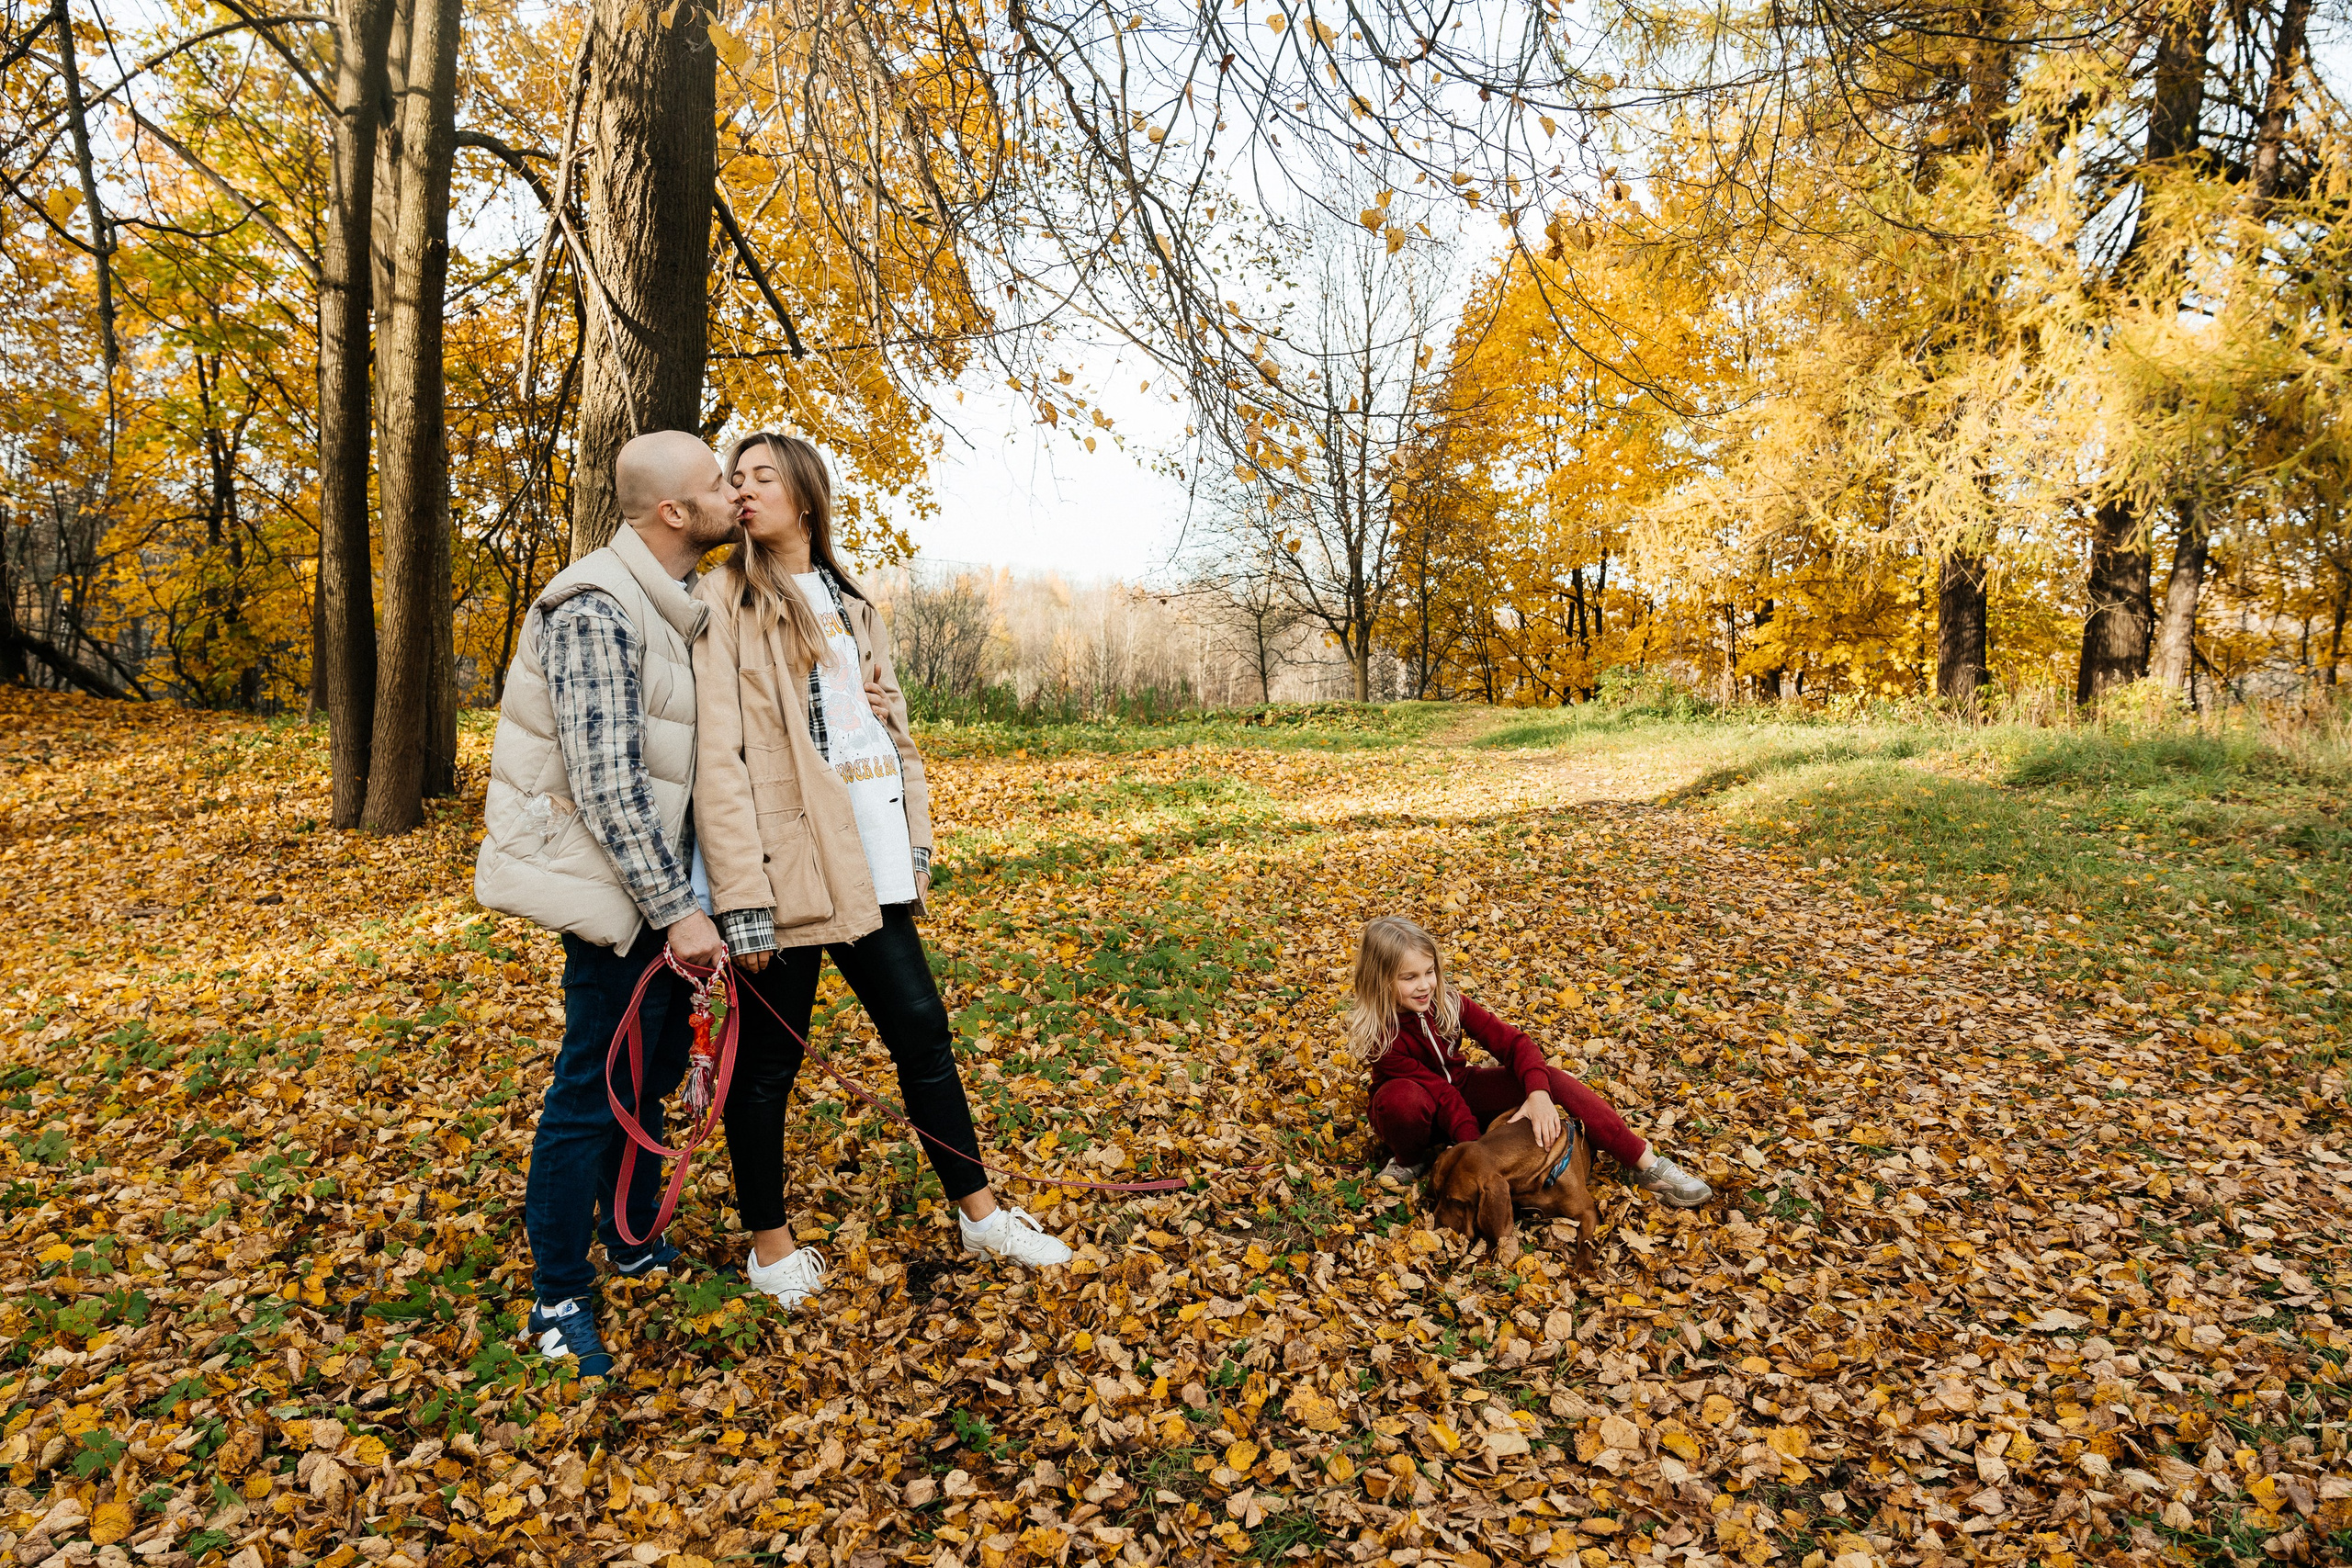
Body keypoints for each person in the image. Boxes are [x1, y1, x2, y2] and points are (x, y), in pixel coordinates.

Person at [692, 431, 1070, 1308]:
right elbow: (722, 757)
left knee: (923, 1036)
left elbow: (896, 736)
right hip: (786, 871)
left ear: (806, 496)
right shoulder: (726, 600)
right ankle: (770, 1249)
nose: (743, 491)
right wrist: (741, 897)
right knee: (766, 1069)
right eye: (735, 479)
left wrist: (919, 842)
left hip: (870, 866)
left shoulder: (854, 603)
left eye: (761, 477)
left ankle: (980, 1214)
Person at [474, 431, 741, 1378]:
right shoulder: (595, 602)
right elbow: (607, 783)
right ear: (673, 512)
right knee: (591, 1090)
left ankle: (629, 1237)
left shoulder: (677, 604)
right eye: (715, 481)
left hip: (668, 897)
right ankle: (556, 1298)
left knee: (654, 1070)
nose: (731, 490)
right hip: (622, 898)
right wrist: (678, 911)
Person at [1351, 915, 1715, 1207]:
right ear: (1381, 981)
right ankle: (1410, 1158)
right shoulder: (1381, 1034)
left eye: (1429, 972)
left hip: (1462, 1089)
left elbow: (1514, 1043)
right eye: (1409, 977)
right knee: (1402, 1100)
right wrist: (1479, 1154)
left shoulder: (1448, 1002)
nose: (1425, 985)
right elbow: (1441, 1096)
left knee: (1548, 1078)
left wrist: (1538, 1094)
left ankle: (1645, 1163)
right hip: (1415, 1111)